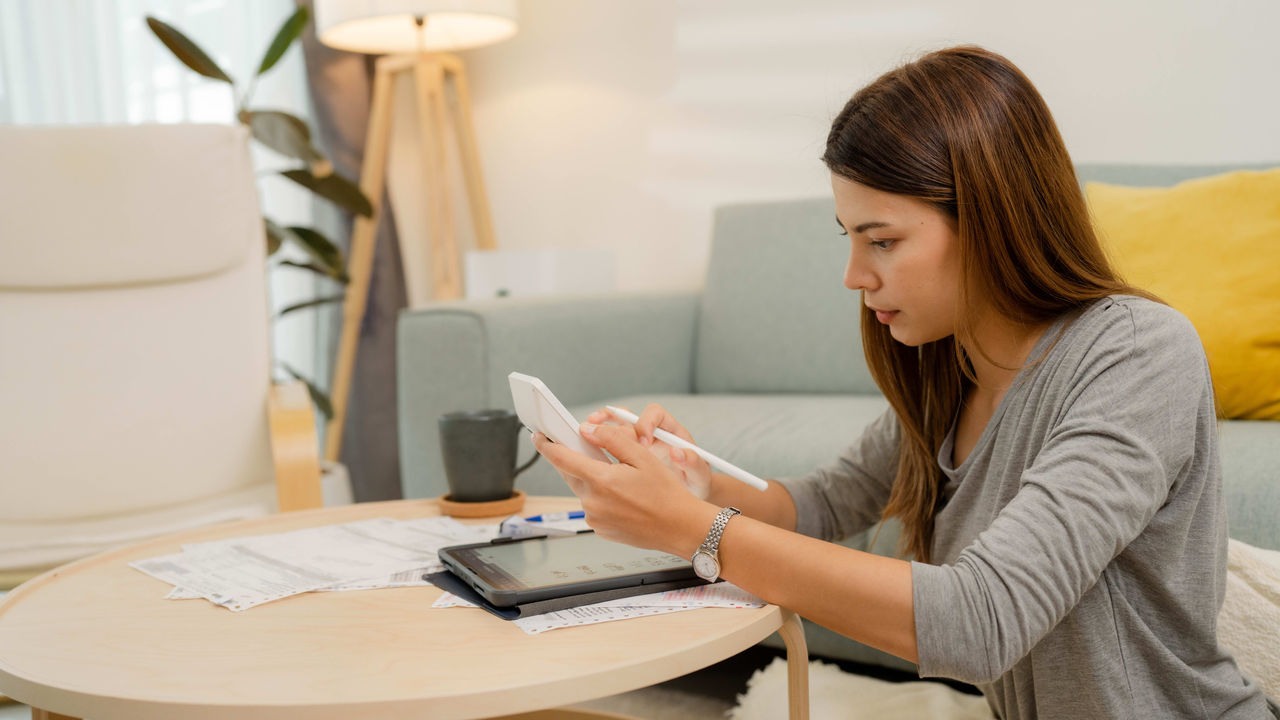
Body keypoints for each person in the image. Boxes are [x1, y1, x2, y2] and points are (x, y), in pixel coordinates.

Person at [532, 45, 1278, 719]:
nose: (855, 276)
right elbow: (817, 504)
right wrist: (697, 486)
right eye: (851, 238)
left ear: (992, 219)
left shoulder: (1140, 354)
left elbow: (982, 621)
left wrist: (696, 531)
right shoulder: (950, 369)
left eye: (882, 241)